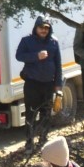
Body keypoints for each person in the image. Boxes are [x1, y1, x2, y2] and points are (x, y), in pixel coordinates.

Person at [15, 18, 62, 153]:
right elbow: (19, 56)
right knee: (30, 113)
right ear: (36, 28)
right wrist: (36, 56)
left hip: (48, 84)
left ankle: (43, 140)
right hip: (32, 83)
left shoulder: (54, 42)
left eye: (46, 28)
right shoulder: (27, 41)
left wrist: (58, 85)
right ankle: (29, 142)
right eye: (41, 27)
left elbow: (58, 64)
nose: (44, 30)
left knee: (46, 113)